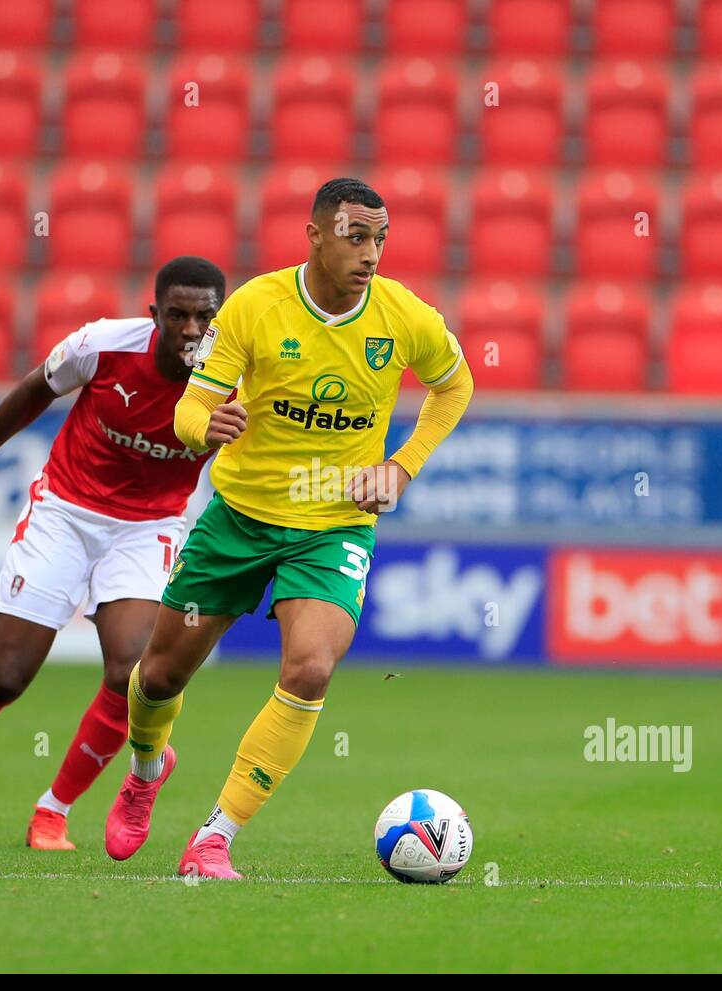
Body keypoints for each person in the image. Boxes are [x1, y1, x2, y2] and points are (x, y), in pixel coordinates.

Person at [102, 178, 474, 878]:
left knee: (309, 669)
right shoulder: (255, 308)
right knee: (157, 675)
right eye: (355, 236)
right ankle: (147, 768)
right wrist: (201, 428)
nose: (370, 253)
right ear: (315, 235)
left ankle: (216, 836)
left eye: (380, 239)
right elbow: (191, 408)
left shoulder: (404, 317)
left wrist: (401, 467)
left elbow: (456, 384)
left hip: (334, 526)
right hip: (238, 519)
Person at [0, 257, 226, 851]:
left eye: (204, 316)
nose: (190, 329)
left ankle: (53, 810)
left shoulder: (237, 377)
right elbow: (33, 391)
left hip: (149, 527)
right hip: (65, 514)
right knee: (6, 679)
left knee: (132, 675)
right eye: (177, 315)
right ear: (155, 316)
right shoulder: (102, 345)